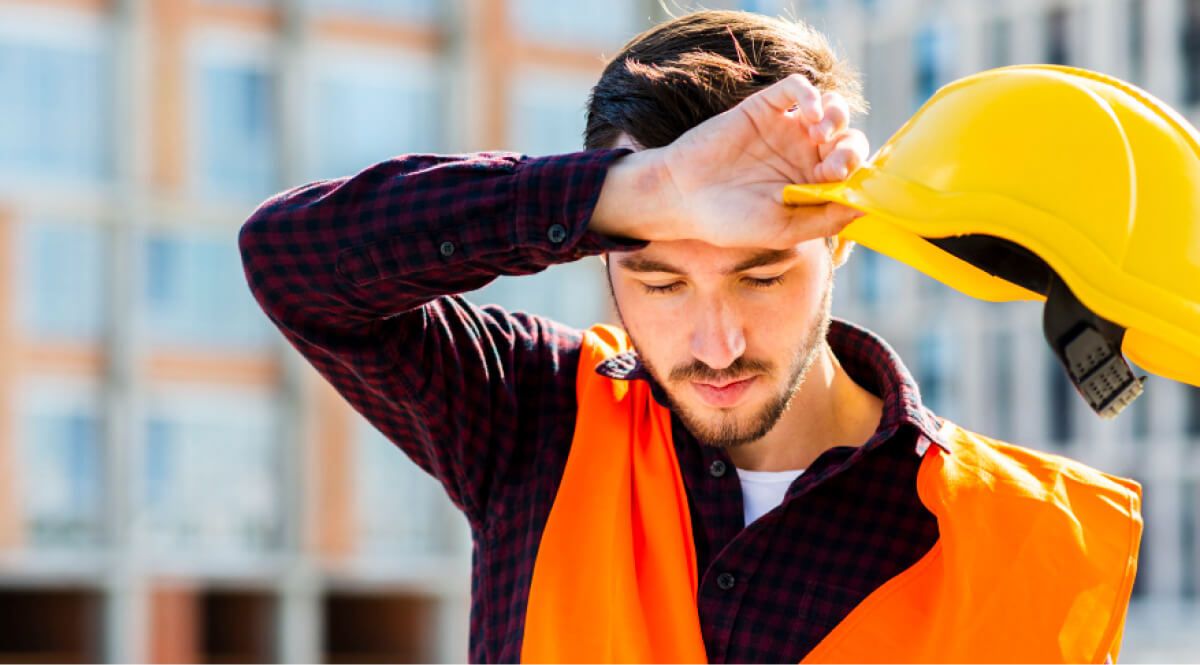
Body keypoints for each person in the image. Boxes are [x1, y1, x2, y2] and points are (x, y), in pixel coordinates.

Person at [239, 10, 1140, 663]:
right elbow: (293, 261)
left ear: (840, 243)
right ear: (601, 255)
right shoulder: (533, 419)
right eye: (659, 277)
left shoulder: (1030, 543)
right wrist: (638, 192)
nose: (714, 343)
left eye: (761, 273)